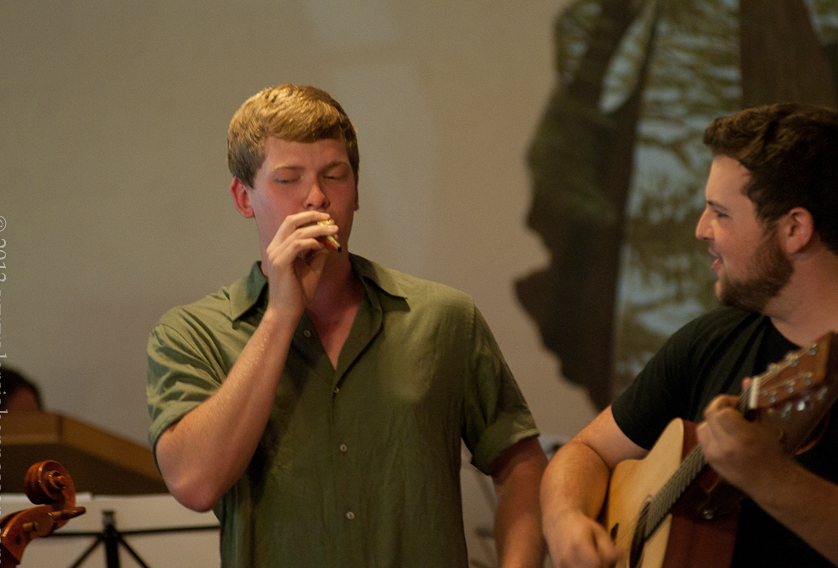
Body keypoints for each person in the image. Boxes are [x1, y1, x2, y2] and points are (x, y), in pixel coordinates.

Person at [146, 83, 548, 568]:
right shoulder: (191, 333)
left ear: (356, 191)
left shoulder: (444, 318)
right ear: (243, 197)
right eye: (288, 179)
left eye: (335, 176)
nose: (317, 198)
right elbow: (194, 483)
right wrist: (280, 316)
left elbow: (521, 464)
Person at [540, 103, 838, 568]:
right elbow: (587, 450)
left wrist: (771, 478)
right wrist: (564, 518)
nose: (701, 230)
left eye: (721, 213)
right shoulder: (711, 341)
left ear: (794, 228)